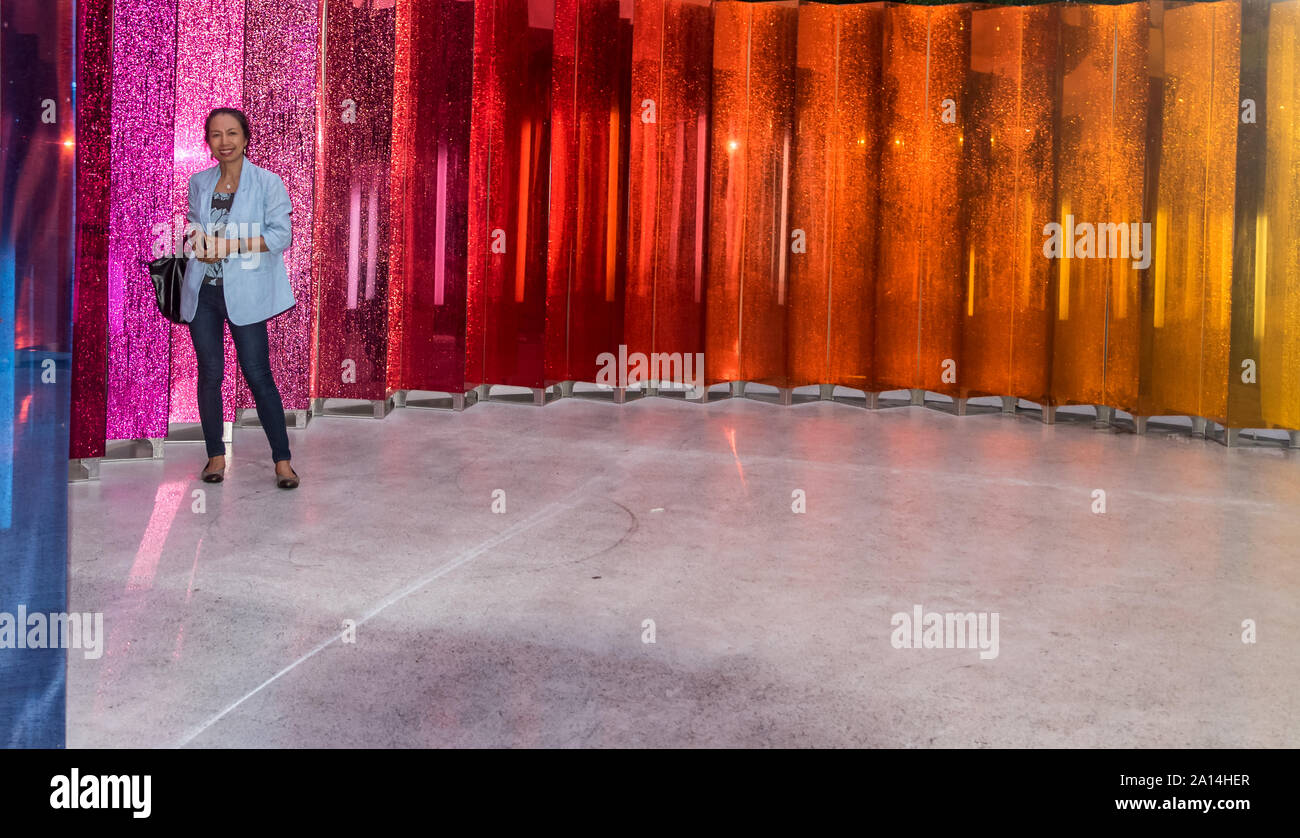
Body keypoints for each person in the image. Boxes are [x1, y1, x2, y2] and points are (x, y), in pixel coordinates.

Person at [182, 107, 300, 489]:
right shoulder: (199, 181)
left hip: (246, 292)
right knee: (210, 374)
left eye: (232, 133)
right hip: (204, 293)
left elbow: (282, 236)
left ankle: (282, 461)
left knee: (258, 374)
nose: (225, 142)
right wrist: (196, 242)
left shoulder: (267, 182)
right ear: (208, 142)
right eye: (216, 135)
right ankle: (215, 455)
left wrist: (230, 246)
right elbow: (192, 226)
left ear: (246, 138)